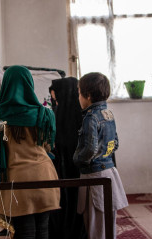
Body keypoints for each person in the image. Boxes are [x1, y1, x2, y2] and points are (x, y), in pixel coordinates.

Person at [0, 65, 60, 239]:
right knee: (43, 230)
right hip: (44, 176)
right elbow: (47, 145)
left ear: (5, 85)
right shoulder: (44, 113)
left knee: (24, 233)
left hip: (17, 179)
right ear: (29, 84)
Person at [74, 72, 128, 239]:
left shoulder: (90, 118)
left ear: (88, 95)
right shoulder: (108, 114)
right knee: (107, 224)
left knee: (95, 227)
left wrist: (77, 158)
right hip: (109, 172)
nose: (78, 97)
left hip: (94, 175)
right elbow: (115, 143)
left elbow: (90, 149)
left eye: (78, 93)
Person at [48, 77, 87, 239]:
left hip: (61, 170)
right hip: (79, 169)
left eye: (54, 93)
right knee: (77, 203)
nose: (52, 96)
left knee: (65, 202)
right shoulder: (83, 114)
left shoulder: (56, 114)